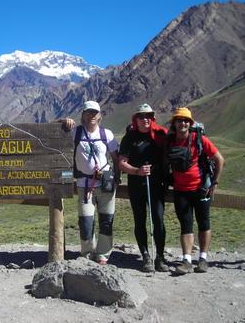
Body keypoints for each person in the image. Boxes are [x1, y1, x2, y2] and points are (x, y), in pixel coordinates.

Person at [59, 100, 120, 265]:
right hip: (84, 184)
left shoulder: (106, 134)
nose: (92, 115)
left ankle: (103, 254)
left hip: (106, 184)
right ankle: (87, 252)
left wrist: (116, 178)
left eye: (95, 112)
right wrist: (63, 121)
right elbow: (52, 131)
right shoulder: (76, 133)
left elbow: (116, 158)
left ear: (99, 115)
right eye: (88, 112)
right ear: (83, 115)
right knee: (86, 221)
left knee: (107, 220)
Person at [166, 107, 224, 275]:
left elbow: (219, 159)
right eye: (179, 120)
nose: (182, 123)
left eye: (185, 120)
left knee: (204, 223)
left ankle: (203, 259)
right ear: (174, 123)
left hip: (201, 189)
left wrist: (215, 182)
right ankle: (186, 261)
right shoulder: (170, 141)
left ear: (189, 123)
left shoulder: (199, 139)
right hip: (180, 191)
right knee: (186, 225)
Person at [118, 103, 169, 272]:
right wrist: (137, 171)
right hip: (137, 185)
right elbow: (121, 163)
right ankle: (146, 255)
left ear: (152, 118)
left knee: (158, 220)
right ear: (136, 119)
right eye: (141, 116)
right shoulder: (129, 137)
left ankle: (160, 257)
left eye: (148, 116)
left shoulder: (161, 134)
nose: (145, 119)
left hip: (157, 185)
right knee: (140, 220)